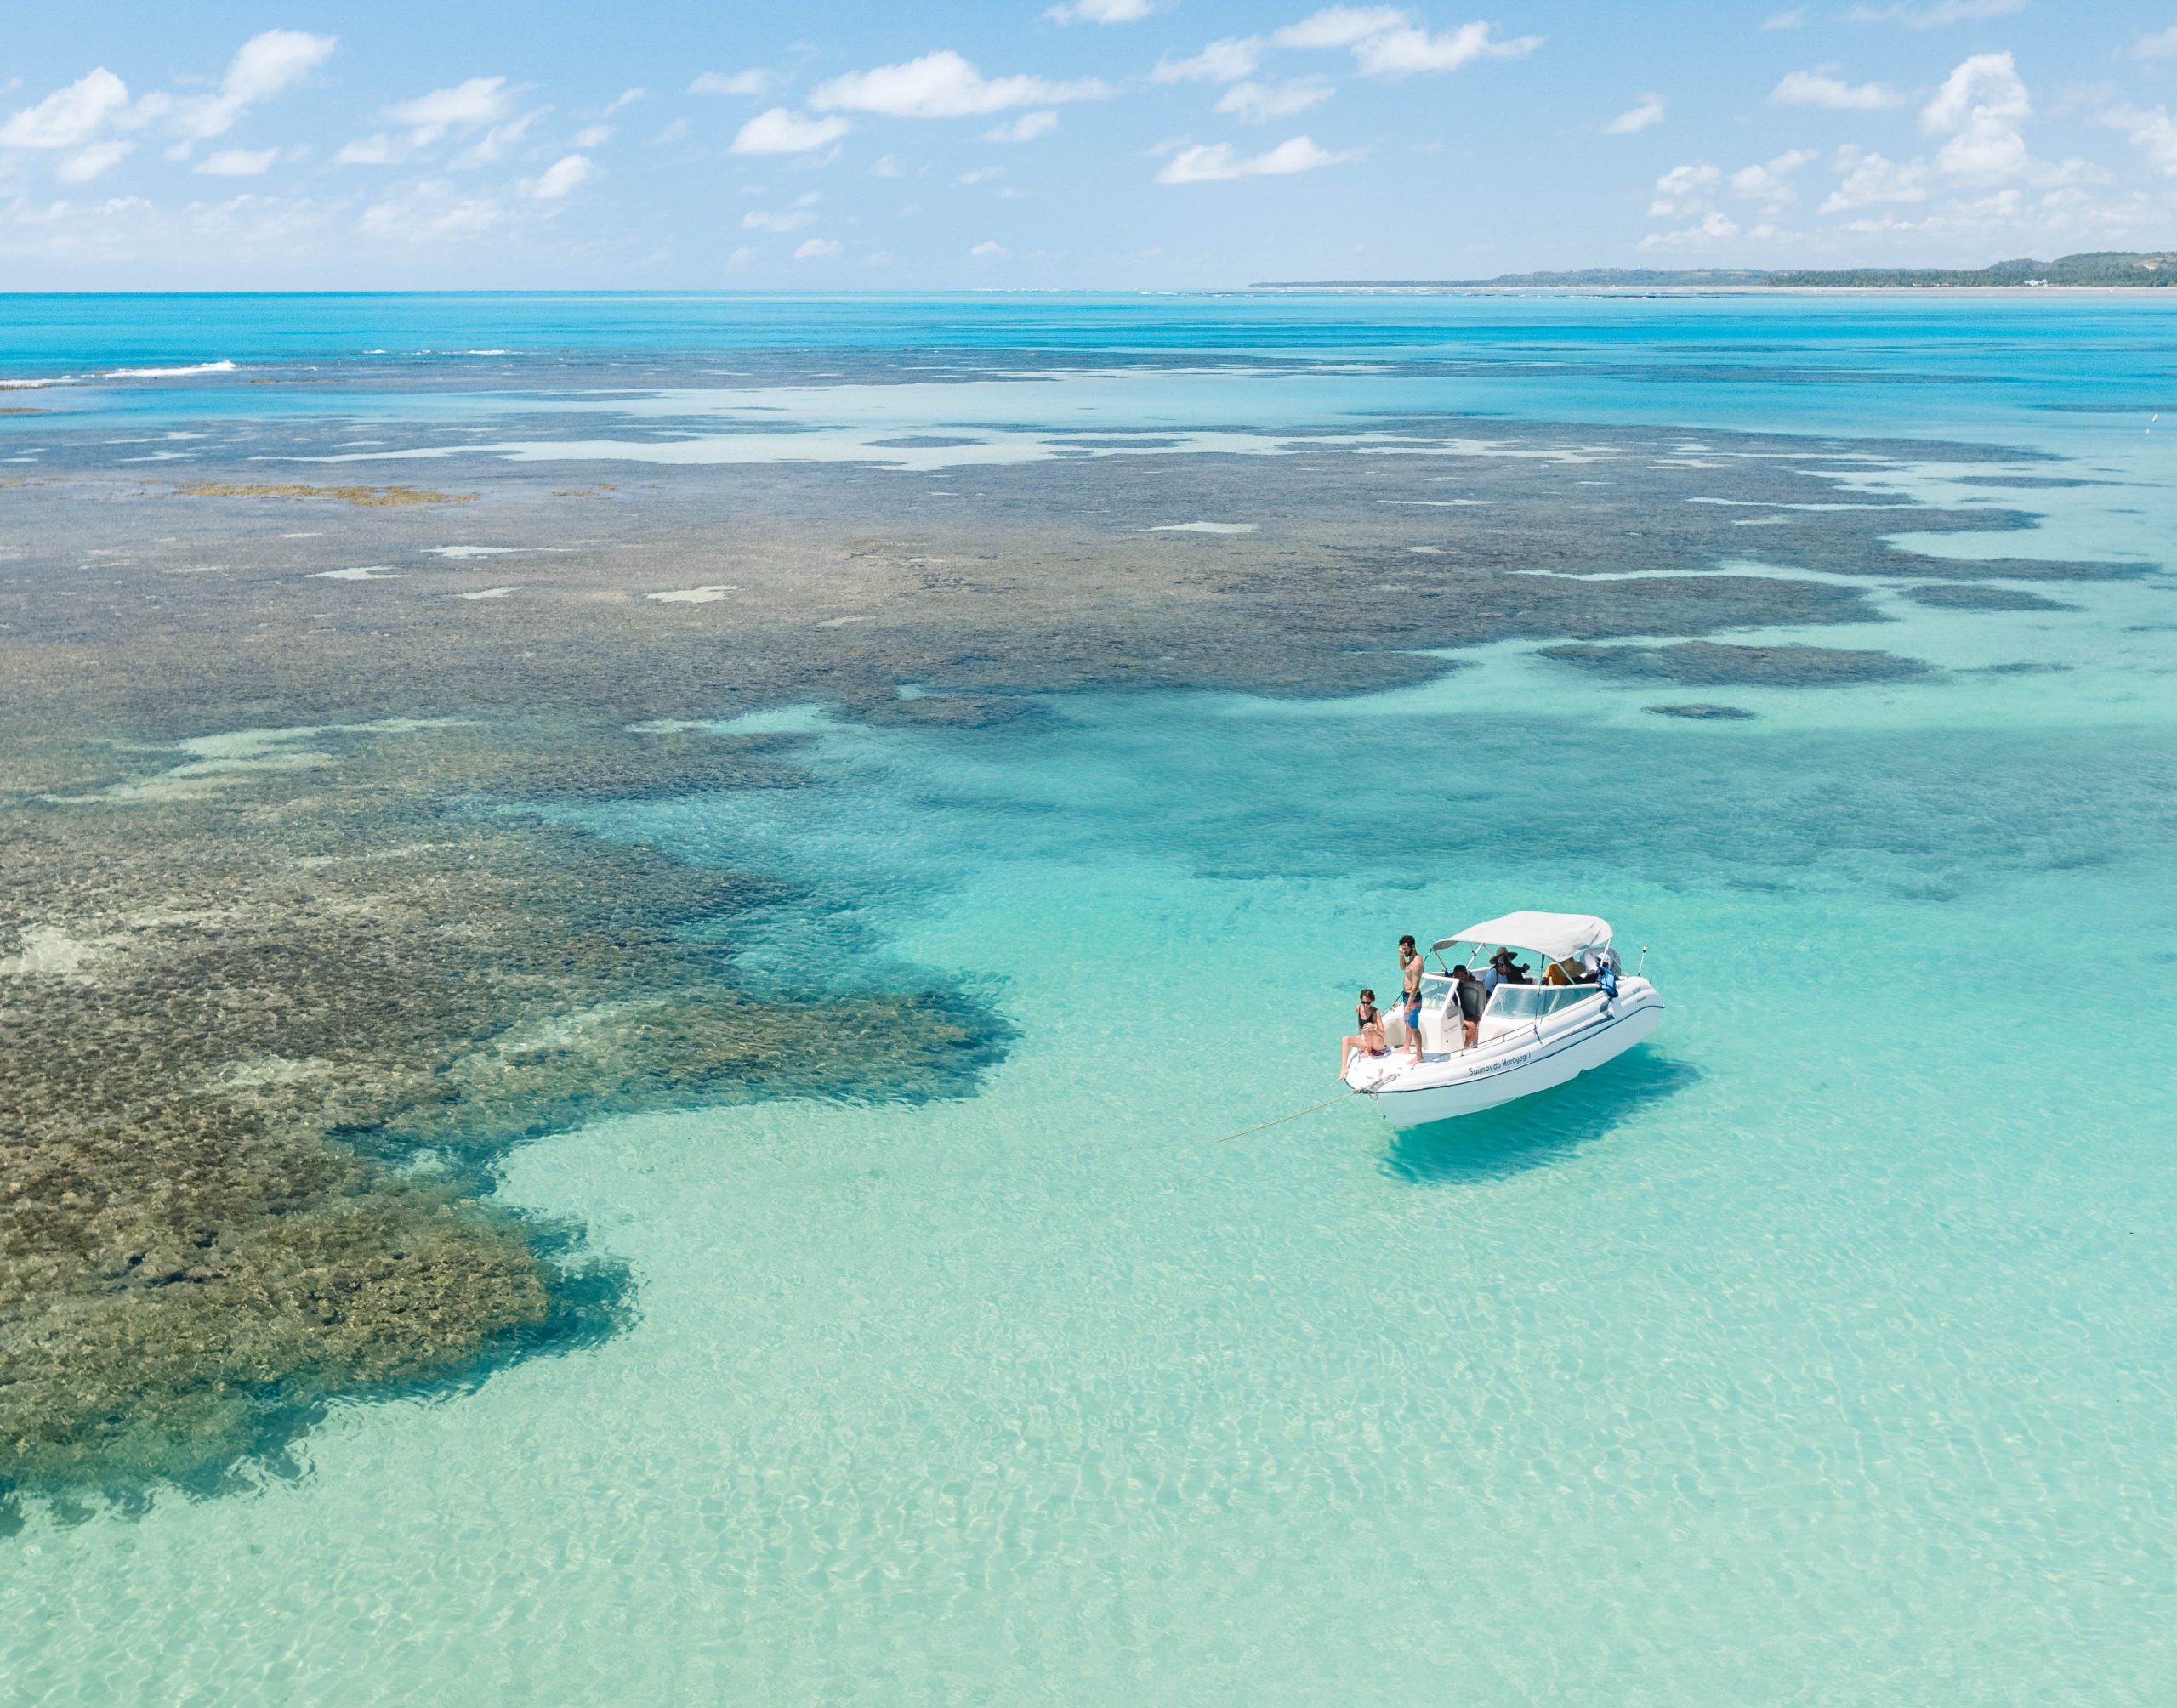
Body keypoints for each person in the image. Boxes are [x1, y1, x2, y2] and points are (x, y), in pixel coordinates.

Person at [1340, 989, 1388, 1075]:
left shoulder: (1375, 1012)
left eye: (1368, 1003)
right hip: (1367, 1041)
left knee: (1367, 1026)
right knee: (1345, 1039)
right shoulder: (1358, 1008)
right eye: (1363, 1002)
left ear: (1372, 1001)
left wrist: (1374, 1027)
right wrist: (1359, 1033)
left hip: (1377, 1043)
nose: (1365, 1005)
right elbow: (1360, 1022)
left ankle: (1368, 1050)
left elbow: (1383, 1033)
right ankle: (1343, 1069)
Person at [1397, 934, 1426, 1063]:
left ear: (1413, 946)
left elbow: (1415, 987)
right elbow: (1403, 967)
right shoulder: (1410, 958)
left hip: (1413, 998)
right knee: (1407, 1022)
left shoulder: (1417, 962)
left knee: (1414, 1026)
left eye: (1406, 949)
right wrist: (1401, 955)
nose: (1404, 951)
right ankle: (1406, 1047)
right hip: (1406, 995)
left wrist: (1409, 1005)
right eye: (1403, 949)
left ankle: (1419, 1056)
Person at [1451, 962, 1486, 1050]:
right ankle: (1465, 1048)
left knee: (1476, 1019)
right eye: (1457, 976)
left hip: (1461, 1013)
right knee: (1472, 1025)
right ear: (1454, 975)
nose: (1459, 978)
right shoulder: (1451, 985)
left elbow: (1469, 976)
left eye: (1462, 975)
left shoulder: (1463, 983)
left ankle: (1471, 1044)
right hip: (1452, 1015)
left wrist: (1470, 978)